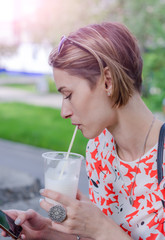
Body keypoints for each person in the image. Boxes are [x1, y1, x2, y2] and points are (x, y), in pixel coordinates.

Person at [1, 22, 165, 240]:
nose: (64, 112)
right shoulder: (99, 150)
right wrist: (49, 234)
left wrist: (100, 227)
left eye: (68, 95)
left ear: (108, 81)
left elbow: (105, 233)